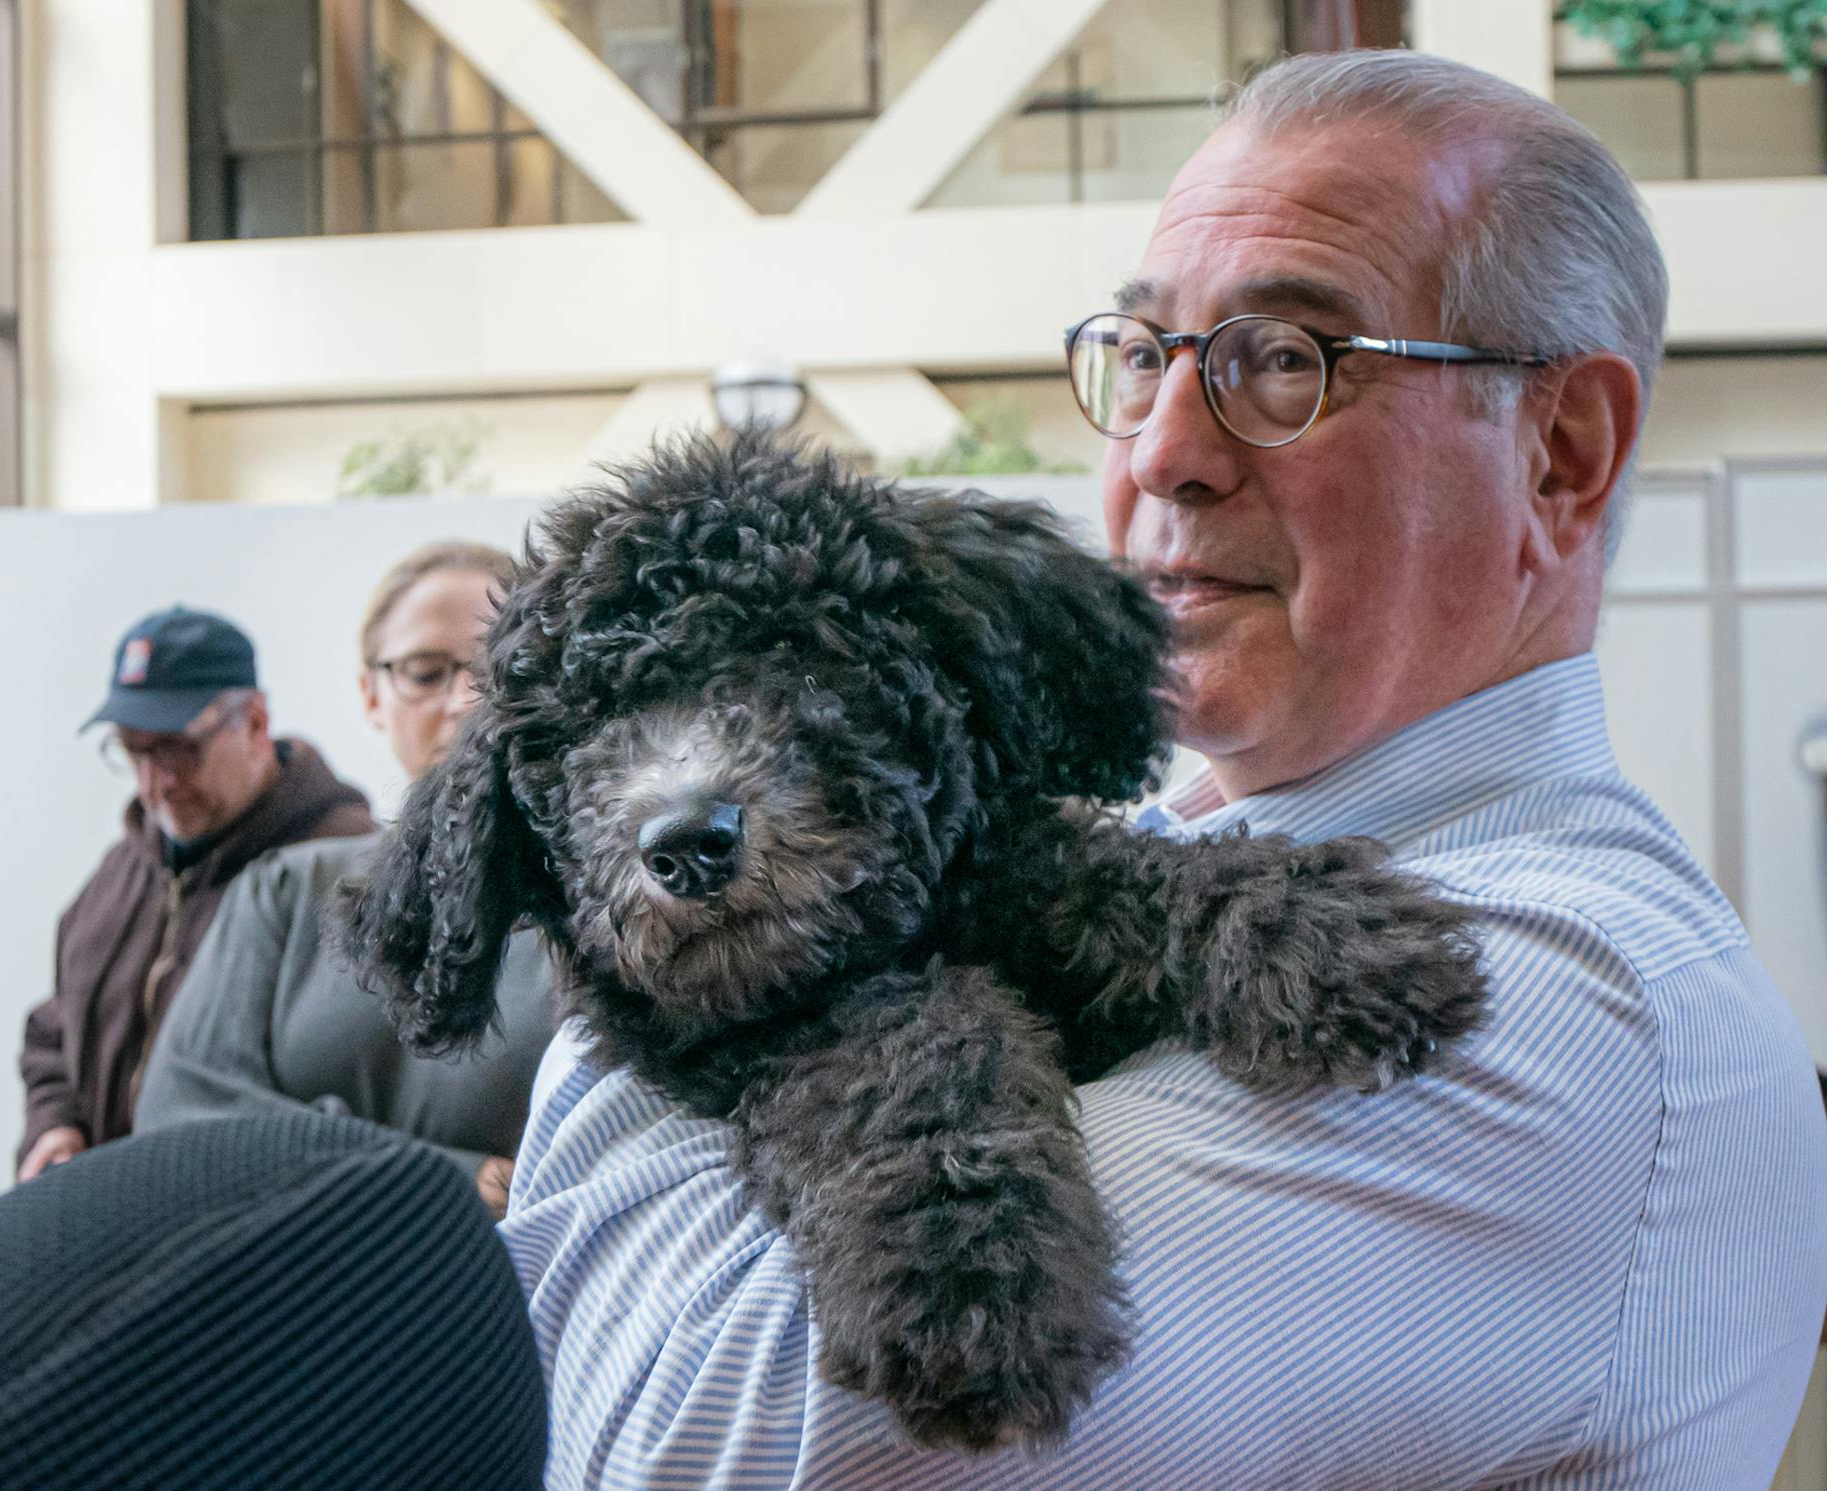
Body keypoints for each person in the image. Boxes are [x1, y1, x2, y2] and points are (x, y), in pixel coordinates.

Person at [493, 50, 1827, 1489]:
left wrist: (670, 918)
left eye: (1286, 362)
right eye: (1145, 357)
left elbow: (694, 1435)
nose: (1167, 451)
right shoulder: (1158, 842)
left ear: (1561, 454)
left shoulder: (1553, 999)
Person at [135, 544, 554, 1219]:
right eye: (425, 672)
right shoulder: (286, 892)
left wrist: (297, 1147)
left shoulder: (597, 922)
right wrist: (450, 1179)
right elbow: (180, 1118)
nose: (466, 700)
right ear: (371, 694)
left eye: (499, 668)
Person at [16, 606, 374, 1183]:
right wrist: (56, 1126)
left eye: (178, 749)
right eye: (134, 752)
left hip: (261, 1241)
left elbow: (366, 1084)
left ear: (255, 723)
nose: (156, 783)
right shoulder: (122, 869)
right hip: (109, 1229)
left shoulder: (345, 874)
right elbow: (54, 1030)